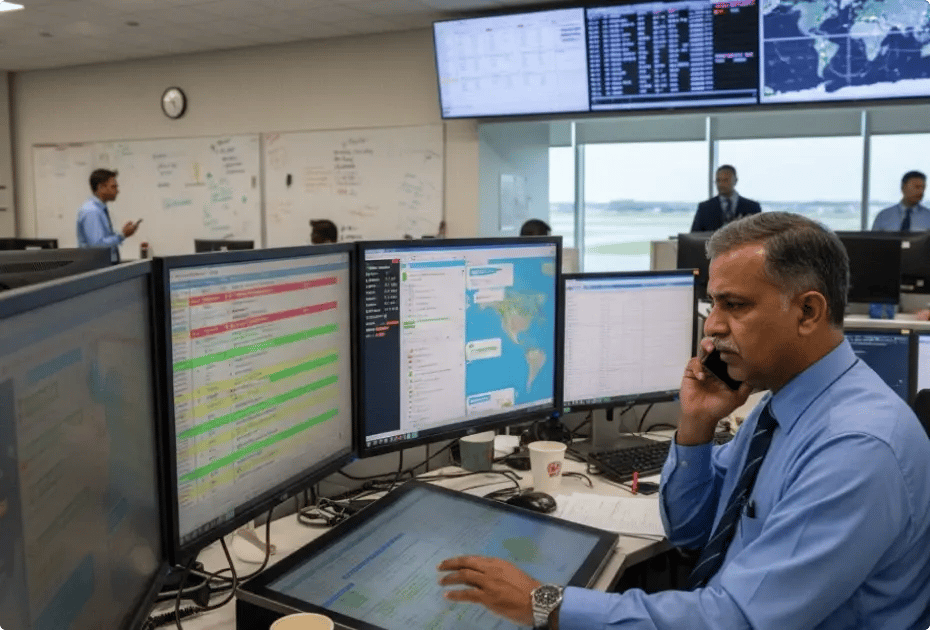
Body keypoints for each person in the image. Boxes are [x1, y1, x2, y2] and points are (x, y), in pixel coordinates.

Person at [438, 212, 930, 629]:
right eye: (713, 303)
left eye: (734, 305)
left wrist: (545, 603)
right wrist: (694, 427)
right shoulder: (781, 407)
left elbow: (737, 619)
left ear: (807, 311)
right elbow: (694, 535)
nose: (713, 326)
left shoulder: (855, 446)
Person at [76, 169, 139, 263]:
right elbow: (97, 246)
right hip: (96, 268)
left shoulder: (99, 209)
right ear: (101, 187)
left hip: (103, 265)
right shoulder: (92, 211)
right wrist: (122, 235)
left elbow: (102, 239)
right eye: (113, 187)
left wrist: (122, 233)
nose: (117, 191)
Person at [690, 165, 761, 232]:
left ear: (735, 181)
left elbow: (762, 235)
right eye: (718, 180)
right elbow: (694, 237)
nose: (721, 184)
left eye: (725, 180)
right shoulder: (704, 208)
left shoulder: (752, 207)